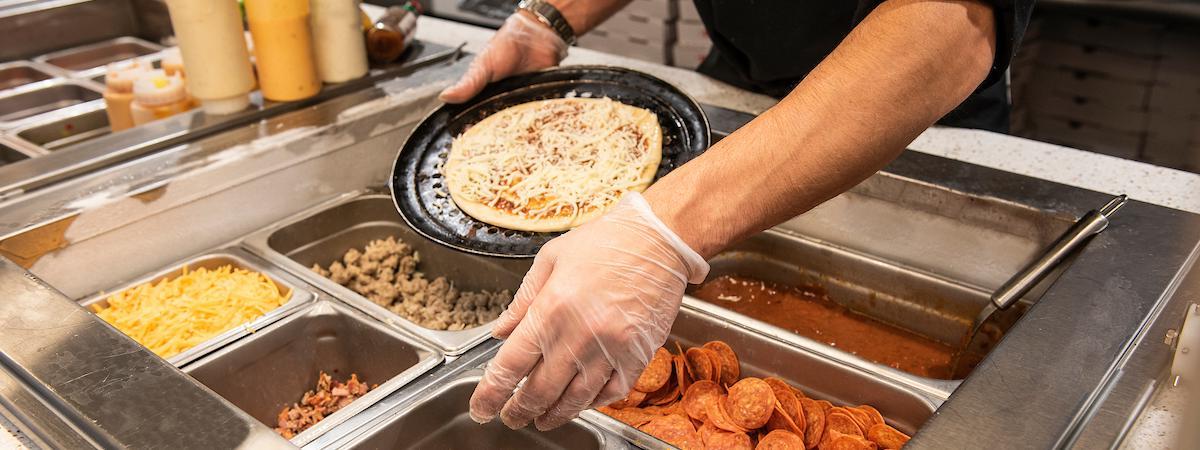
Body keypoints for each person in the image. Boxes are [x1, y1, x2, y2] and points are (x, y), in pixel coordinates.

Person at [440, 0, 1033, 432]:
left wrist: (662, 233)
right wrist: (554, 16)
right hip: (745, 74)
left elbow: (954, 17)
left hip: (912, 102)